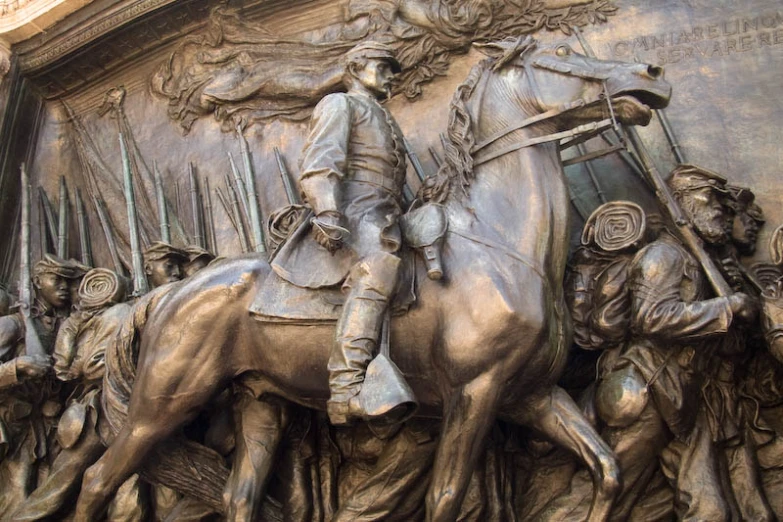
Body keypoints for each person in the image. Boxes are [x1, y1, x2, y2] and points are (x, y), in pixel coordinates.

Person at [535, 165, 757, 521]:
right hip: (650, 391)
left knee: (710, 510)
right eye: (710, 199)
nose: (720, 209)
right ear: (682, 204)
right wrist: (726, 308)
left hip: (683, 399)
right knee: (599, 499)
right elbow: (652, 318)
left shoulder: (698, 262)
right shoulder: (664, 256)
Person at [274, 41, 410, 426]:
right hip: (355, 213)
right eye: (382, 67)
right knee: (379, 268)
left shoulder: (384, 116)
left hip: (387, 212)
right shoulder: (340, 104)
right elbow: (320, 162)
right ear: (355, 67)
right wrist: (328, 210)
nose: (389, 77)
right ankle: (347, 388)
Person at [0, 255, 86, 518]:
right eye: (55, 279)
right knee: (18, 498)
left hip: (52, 424)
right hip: (16, 426)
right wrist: (18, 367)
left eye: (68, 281)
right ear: (37, 282)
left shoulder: (67, 325)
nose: (62, 287)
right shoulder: (11, 324)